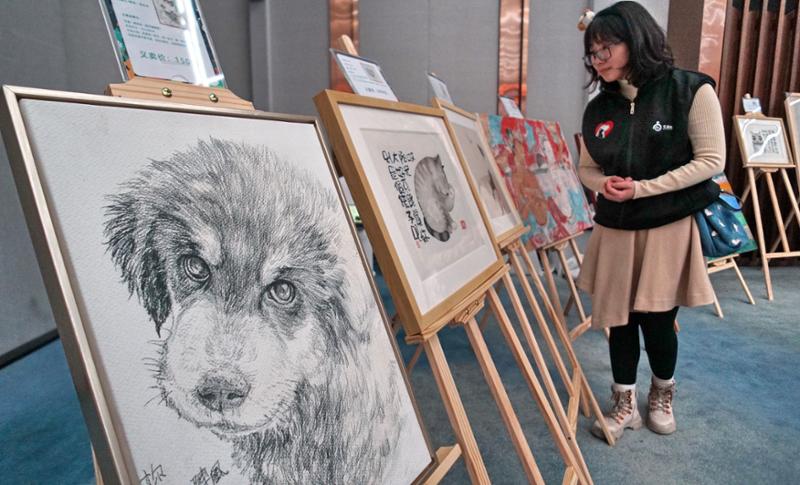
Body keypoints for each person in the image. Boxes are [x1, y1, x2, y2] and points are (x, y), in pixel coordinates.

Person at [576, 1, 725, 441]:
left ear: (636, 40)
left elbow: (711, 161)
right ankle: (624, 403)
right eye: (593, 52)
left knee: (658, 319)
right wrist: (602, 184)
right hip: (615, 227)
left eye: (606, 48)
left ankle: (662, 393)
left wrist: (643, 189)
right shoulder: (599, 106)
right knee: (618, 319)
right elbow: (587, 168)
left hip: (667, 225)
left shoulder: (690, 90)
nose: (598, 59)